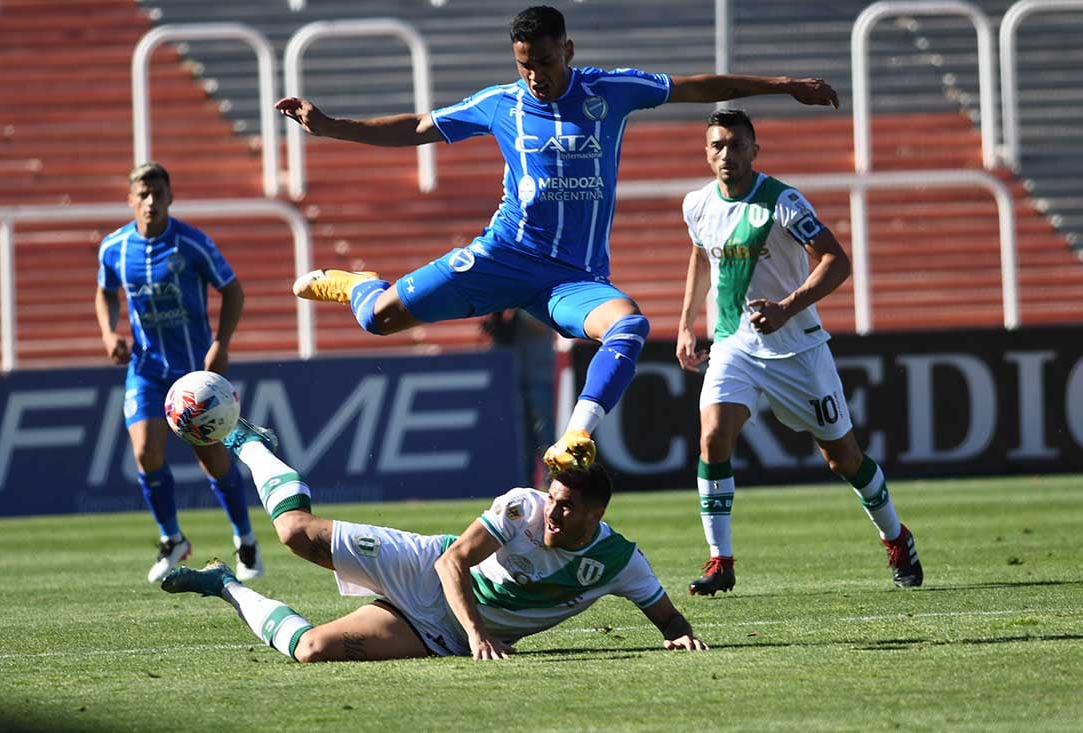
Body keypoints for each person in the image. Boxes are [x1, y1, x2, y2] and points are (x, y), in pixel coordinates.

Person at [277, 5, 839, 475]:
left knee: (630, 326)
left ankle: (575, 438)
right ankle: (357, 286)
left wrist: (783, 86)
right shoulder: (500, 103)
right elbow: (420, 127)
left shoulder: (611, 91)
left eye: (544, 62)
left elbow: (698, 88)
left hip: (573, 279)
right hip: (504, 257)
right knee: (379, 317)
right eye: (525, 66)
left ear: (567, 50)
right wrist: (331, 127)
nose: (536, 76)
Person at [161, 417, 708, 661]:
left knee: (311, 650)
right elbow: (453, 563)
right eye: (553, 500)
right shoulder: (523, 506)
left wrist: (680, 636)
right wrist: (478, 633)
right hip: (425, 570)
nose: (553, 516)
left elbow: (668, 618)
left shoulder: (618, 560)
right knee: (295, 533)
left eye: (567, 509)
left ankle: (225, 586)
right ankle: (248, 442)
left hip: (436, 634)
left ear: (598, 513)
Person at [675, 109, 923, 595]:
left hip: (797, 350)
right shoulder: (696, 205)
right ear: (707, 152)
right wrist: (686, 324)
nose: (727, 154)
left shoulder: (782, 202)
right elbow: (701, 256)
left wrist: (788, 307)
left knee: (843, 458)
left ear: (755, 150)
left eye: (737, 145)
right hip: (733, 344)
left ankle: (896, 536)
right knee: (713, 438)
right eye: (718, 145)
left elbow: (837, 261)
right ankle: (719, 560)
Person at [95, 162, 263, 584]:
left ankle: (245, 540)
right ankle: (173, 538)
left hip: (192, 375)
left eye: (158, 194)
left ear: (171, 197)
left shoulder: (192, 244)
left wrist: (220, 343)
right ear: (131, 199)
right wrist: (108, 333)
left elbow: (233, 289)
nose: (151, 201)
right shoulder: (113, 247)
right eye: (143, 194)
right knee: (145, 452)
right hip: (146, 369)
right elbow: (104, 292)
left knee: (212, 459)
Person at [482, 309, 558, 487]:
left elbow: (544, 326)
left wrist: (517, 304)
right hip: (515, 375)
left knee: (545, 431)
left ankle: (554, 479)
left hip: (539, 373)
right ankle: (525, 485)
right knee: (523, 437)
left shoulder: (538, 303)